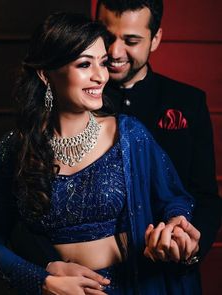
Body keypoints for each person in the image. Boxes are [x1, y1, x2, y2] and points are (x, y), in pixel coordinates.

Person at [0, 11, 200, 295]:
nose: (101, 76)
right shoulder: (17, 148)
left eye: (102, 62)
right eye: (85, 64)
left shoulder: (128, 134)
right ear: (45, 73)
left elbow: (173, 198)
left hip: (133, 285)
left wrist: (175, 228)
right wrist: (42, 279)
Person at [95, 0, 221, 265]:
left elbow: (206, 195)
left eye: (131, 41)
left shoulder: (189, 102)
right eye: (107, 37)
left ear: (155, 39)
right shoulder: (75, 99)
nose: (115, 51)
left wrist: (190, 245)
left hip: (167, 271)